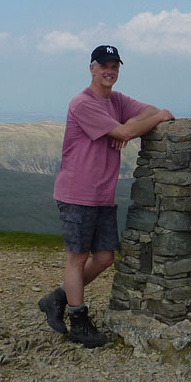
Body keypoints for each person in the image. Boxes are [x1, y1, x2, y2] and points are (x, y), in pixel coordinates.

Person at [39, 45, 174, 347]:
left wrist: (127, 125)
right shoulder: (82, 103)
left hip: (102, 195)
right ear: (92, 68)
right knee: (77, 259)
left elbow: (146, 112)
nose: (110, 71)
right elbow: (135, 129)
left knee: (104, 258)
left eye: (115, 67)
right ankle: (78, 321)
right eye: (104, 66)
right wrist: (136, 126)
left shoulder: (116, 101)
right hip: (77, 193)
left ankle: (57, 298)